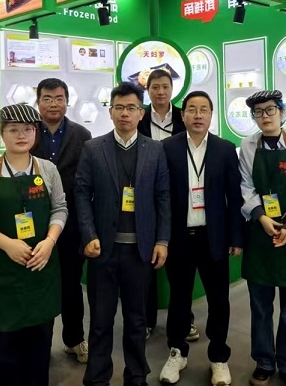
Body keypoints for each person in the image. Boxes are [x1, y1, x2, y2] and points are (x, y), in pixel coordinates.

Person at [0, 103, 68, 386]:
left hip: (41, 271)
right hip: (3, 274)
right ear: (2, 133)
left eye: (28, 129)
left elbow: (60, 208)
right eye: (13, 130)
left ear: (36, 133)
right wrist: (8, 244)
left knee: (40, 348)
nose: (21, 135)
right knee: (6, 351)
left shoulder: (48, 170)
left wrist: (50, 241)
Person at [75, 81, 171, 386]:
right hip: (102, 249)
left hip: (140, 251)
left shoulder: (155, 150)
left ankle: (137, 376)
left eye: (131, 108)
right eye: (119, 108)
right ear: (111, 111)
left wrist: (162, 240)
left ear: (141, 113)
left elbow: (163, 196)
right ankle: (97, 378)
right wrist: (88, 234)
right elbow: (81, 193)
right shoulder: (93, 148)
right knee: (100, 321)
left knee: (136, 320)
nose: (125, 114)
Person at [159, 91, 243, 386]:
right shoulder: (167, 148)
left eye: (203, 110)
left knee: (219, 299)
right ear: (182, 116)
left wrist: (236, 237)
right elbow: (161, 196)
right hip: (180, 237)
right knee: (179, 298)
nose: (197, 115)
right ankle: (177, 352)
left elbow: (235, 196)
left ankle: (218, 357)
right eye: (191, 110)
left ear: (210, 115)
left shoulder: (225, 149)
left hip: (213, 237)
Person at [238, 90, 286, 386]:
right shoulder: (248, 146)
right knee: (260, 306)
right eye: (258, 112)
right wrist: (261, 216)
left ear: (282, 112)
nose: (265, 116)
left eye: (270, 110)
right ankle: (264, 361)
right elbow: (245, 186)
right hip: (260, 233)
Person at [31, 78, 92, 363]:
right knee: (36, 284)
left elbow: (87, 182)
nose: (53, 104)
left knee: (71, 284)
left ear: (67, 101)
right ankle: (37, 345)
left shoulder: (82, 134)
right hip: (34, 223)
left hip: (72, 223)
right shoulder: (28, 132)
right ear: (38, 102)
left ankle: (74, 339)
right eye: (47, 98)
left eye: (59, 98)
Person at [137, 69, 199, 342]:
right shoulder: (139, 117)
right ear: (148, 90)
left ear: (172, 89)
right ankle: (146, 320)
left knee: (180, 267)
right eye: (155, 87)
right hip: (146, 197)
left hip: (180, 196)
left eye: (165, 86)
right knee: (146, 264)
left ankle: (185, 321)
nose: (160, 92)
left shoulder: (184, 117)